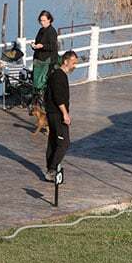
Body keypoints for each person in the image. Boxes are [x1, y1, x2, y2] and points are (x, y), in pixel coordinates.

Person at [44, 50, 78, 182]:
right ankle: (52, 169)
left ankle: (50, 169)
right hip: (57, 114)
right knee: (64, 142)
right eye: (73, 63)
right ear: (65, 61)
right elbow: (59, 97)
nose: (75, 66)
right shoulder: (59, 76)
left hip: (52, 113)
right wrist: (65, 114)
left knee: (53, 141)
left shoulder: (57, 75)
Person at [31, 10, 59, 94]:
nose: (42, 22)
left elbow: (53, 46)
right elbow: (37, 42)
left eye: (44, 20)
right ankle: (37, 95)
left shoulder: (52, 31)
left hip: (46, 60)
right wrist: (34, 45)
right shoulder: (41, 30)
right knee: (36, 79)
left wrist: (42, 46)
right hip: (38, 58)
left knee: (42, 81)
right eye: (41, 20)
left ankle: (42, 95)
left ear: (49, 20)